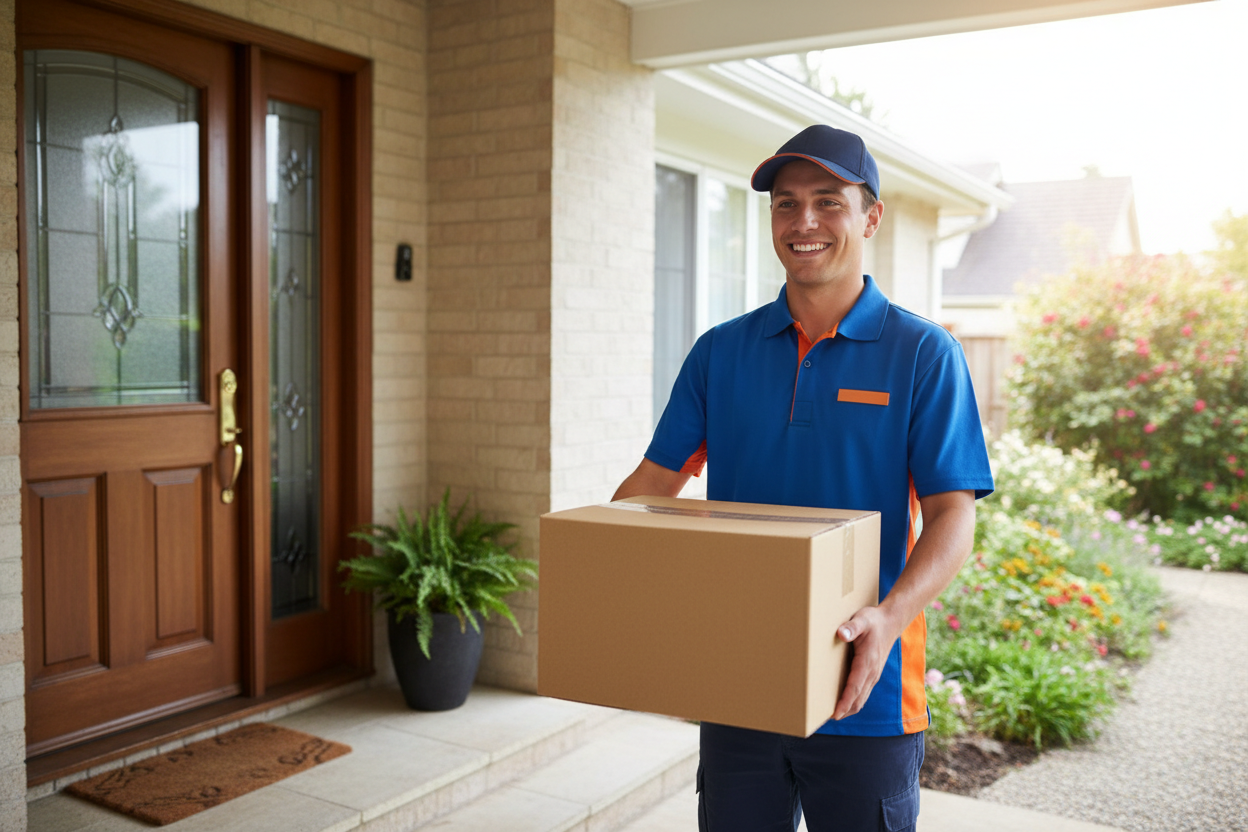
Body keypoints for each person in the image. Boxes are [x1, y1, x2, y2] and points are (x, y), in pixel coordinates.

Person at [613, 124, 994, 832]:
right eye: (785, 205)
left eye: (828, 201)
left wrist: (891, 617)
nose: (804, 222)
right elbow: (649, 489)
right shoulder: (720, 354)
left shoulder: (922, 354)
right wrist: (624, 595)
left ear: (870, 216)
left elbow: (952, 513)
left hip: (865, 692)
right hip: (739, 684)